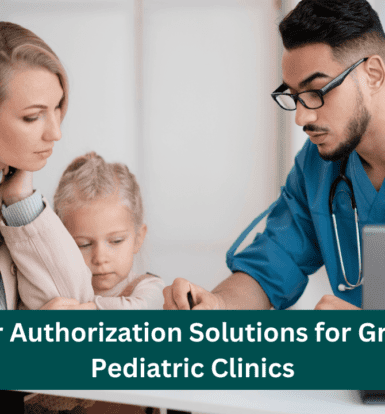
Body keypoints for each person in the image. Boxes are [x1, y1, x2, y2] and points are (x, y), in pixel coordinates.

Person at [163, 0, 385, 311]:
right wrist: (218, 305)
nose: (301, 118)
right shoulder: (318, 166)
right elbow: (273, 263)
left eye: (317, 91)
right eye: (295, 97)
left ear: (373, 74)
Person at [0, 21, 96, 310]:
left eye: (57, 108)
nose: (56, 133)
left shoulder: (13, 208)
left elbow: (75, 303)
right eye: (33, 117)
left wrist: (23, 206)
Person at [53, 151, 165, 309]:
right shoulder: (57, 290)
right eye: (83, 244)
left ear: (138, 238)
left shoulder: (151, 287)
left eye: (116, 241)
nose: (99, 258)